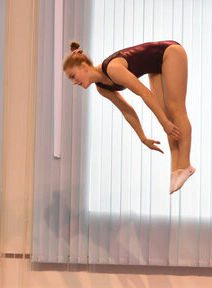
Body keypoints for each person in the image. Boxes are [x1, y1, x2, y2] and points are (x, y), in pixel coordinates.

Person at [63, 40, 195, 194]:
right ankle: (175, 169)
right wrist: (143, 137)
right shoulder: (102, 88)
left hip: (170, 52)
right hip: (155, 65)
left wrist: (164, 122)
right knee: (164, 113)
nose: (74, 82)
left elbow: (144, 93)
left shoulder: (112, 69)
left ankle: (185, 164)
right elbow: (127, 111)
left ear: (84, 67)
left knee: (175, 109)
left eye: (73, 76)